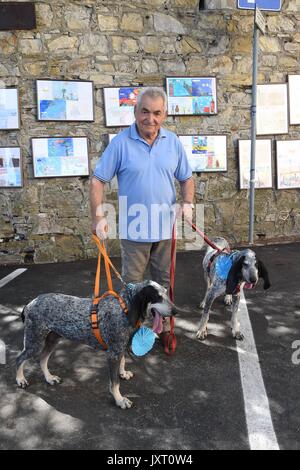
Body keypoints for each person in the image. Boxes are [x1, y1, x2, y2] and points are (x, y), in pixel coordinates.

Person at [90, 87, 194, 332]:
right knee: (133, 287)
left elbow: (187, 178)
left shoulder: (173, 142)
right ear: (135, 112)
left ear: (165, 114)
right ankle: (132, 330)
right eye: (145, 111)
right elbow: (97, 181)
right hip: (134, 230)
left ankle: (162, 326)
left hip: (166, 230)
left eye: (157, 113)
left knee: (163, 285)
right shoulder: (120, 143)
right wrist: (98, 217)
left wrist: (187, 203)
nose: (151, 118)